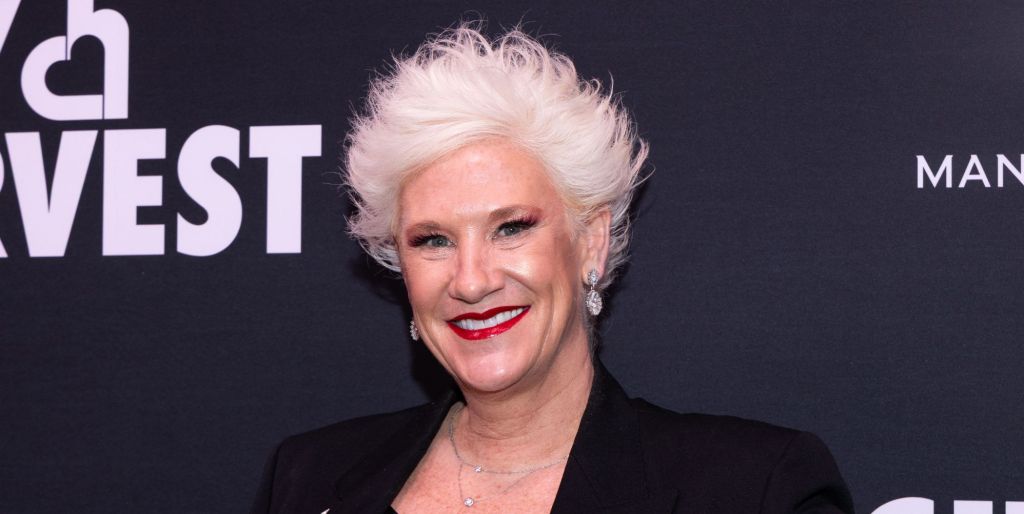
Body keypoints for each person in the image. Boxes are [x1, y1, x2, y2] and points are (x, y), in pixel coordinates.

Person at [251, 23, 854, 514]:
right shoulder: (307, 478)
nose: (471, 280)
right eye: (432, 240)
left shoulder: (755, 489)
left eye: (511, 228)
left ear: (590, 242)